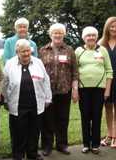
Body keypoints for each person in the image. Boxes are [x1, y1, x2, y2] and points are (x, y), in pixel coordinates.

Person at [2, 39, 52, 160]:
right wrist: (5, 100)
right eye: (22, 51)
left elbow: (46, 80)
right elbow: (4, 83)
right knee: (18, 132)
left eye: (28, 50)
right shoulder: (10, 64)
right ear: (17, 52)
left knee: (34, 132)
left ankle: (32, 154)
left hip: (36, 103)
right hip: (17, 104)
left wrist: (48, 98)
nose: (26, 53)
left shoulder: (38, 62)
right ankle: (18, 155)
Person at [39, 23, 78, 156]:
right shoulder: (43, 50)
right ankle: (47, 146)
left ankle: (62, 145)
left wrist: (75, 89)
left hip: (64, 90)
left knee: (62, 119)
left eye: (60, 33)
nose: (57, 35)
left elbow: (75, 72)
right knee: (47, 120)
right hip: (47, 92)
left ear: (64, 34)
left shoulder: (69, 50)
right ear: (50, 34)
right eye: (55, 32)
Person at [75, 26, 113, 154]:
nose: (91, 37)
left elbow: (109, 71)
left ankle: (95, 144)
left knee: (97, 116)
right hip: (83, 89)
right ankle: (86, 144)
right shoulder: (78, 51)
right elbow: (74, 72)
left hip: (99, 89)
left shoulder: (103, 50)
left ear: (96, 37)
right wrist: (75, 90)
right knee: (85, 117)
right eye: (88, 35)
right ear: (83, 38)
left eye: (93, 35)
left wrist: (107, 91)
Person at [99, 17, 116, 148]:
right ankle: (109, 135)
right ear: (107, 28)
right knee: (108, 108)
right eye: (112, 26)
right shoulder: (101, 44)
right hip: (107, 81)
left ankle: (115, 136)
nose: (114, 29)